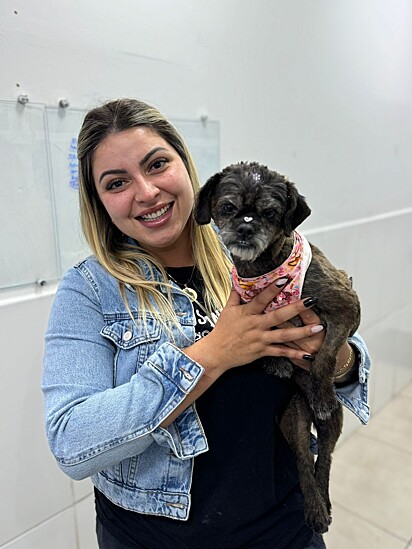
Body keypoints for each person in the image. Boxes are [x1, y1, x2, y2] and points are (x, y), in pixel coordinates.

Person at [42, 98, 370, 549]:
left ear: (185, 166)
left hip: (287, 525)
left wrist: (332, 358)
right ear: (99, 201)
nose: (147, 192)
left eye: (157, 164)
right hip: (154, 537)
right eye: (117, 182)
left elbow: (349, 368)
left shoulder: (251, 253)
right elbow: (71, 443)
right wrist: (212, 354)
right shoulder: (88, 291)